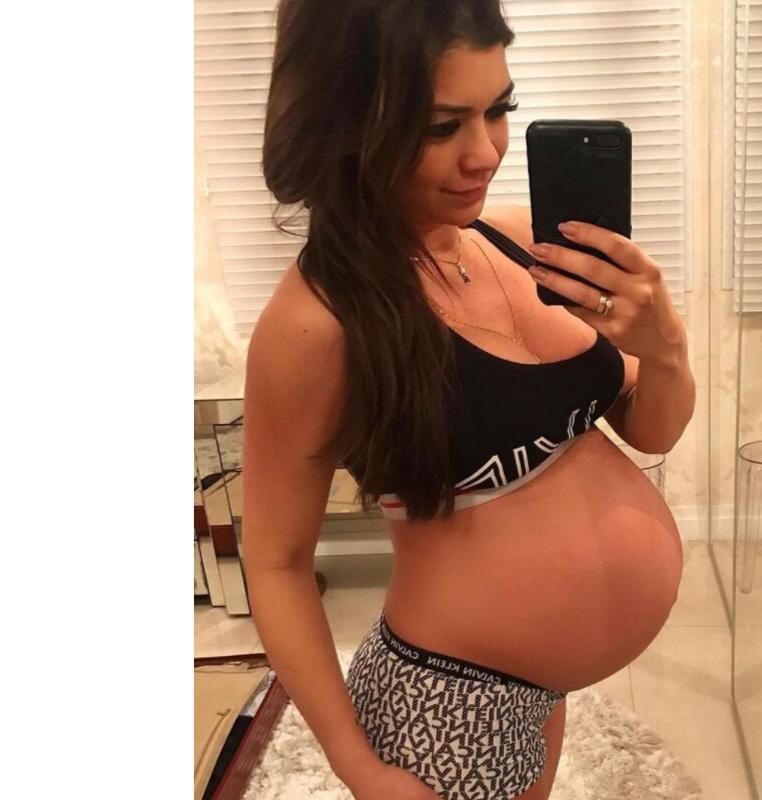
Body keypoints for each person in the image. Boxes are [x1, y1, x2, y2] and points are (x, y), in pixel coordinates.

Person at [241, 1, 695, 798]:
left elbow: (651, 430)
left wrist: (663, 349)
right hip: (449, 699)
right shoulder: (315, 324)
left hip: (542, 687)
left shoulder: (521, 241)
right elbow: (275, 563)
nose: (485, 153)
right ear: (347, 122)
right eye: (441, 126)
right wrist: (358, 767)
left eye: (499, 109)